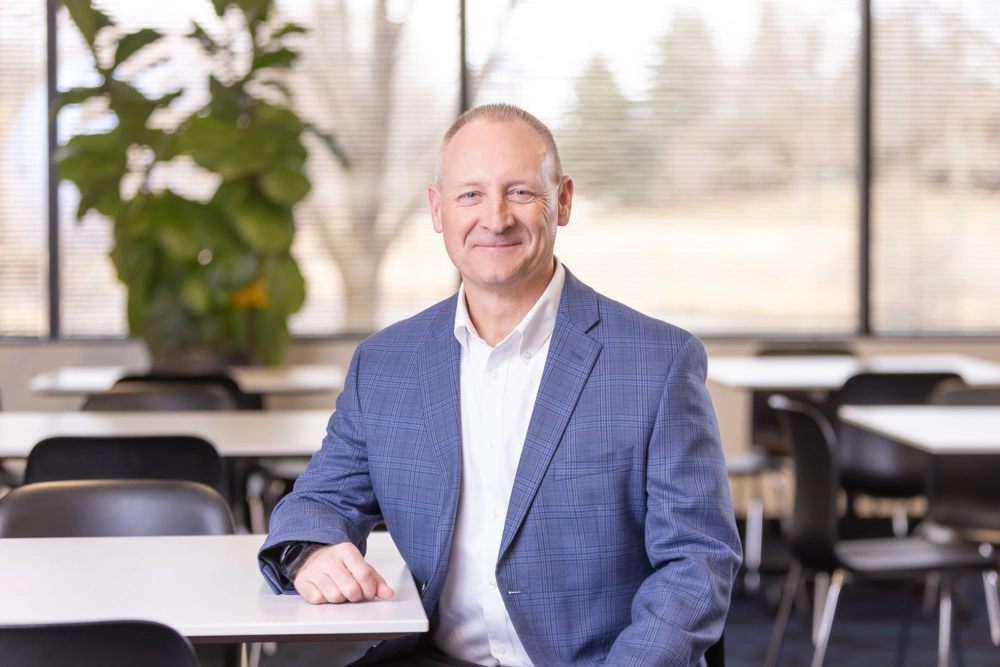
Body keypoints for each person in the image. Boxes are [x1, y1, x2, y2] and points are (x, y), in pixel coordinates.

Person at [259, 103, 742, 667]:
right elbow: (318, 499)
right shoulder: (384, 363)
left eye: (519, 193)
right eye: (469, 195)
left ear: (561, 201)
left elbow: (697, 561)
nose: (495, 218)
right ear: (438, 209)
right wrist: (312, 551)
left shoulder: (658, 362)